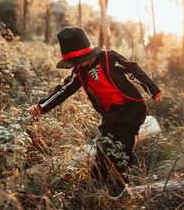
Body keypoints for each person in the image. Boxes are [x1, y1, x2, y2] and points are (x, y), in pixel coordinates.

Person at [30, 26, 162, 198]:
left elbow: (133, 70)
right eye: (75, 63)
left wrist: (152, 90)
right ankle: (98, 179)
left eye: (80, 60)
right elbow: (63, 90)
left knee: (123, 141)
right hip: (109, 113)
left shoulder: (110, 57)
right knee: (104, 144)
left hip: (131, 108)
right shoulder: (79, 71)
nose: (78, 65)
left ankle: (120, 182)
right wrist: (42, 107)